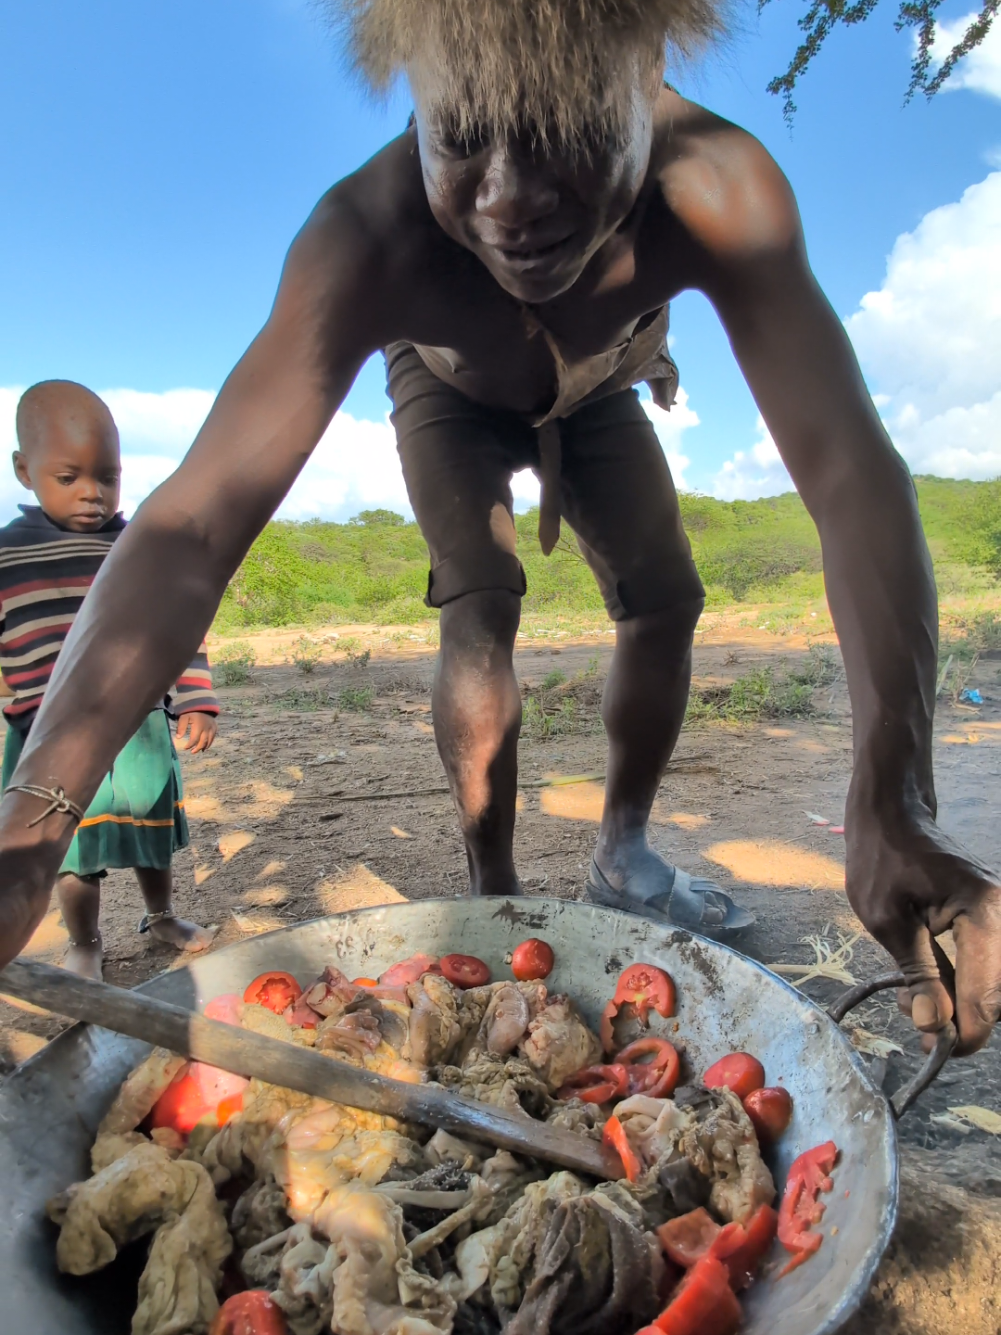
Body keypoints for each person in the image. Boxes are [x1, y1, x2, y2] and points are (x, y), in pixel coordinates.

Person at [0, 0, 998, 1054]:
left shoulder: (713, 187)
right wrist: (35, 814)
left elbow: (847, 474)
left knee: (665, 598)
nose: (511, 201)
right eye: (464, 135)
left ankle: (624, 851)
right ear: (416, 100)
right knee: (479, 601)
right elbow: (192, 527)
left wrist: (892, 799)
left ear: (647, 74)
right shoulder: (369, 236)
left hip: (599, 381)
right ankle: (494, 888)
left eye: (565, 128)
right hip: (447, 387)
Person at [0, 380, 220, 978]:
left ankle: (161, 914)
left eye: (109, 477)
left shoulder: (136, 546)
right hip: (46, 732)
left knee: (149, 827)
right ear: (24, 469)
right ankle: (86, 941)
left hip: (137, 723)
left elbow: (180, 622)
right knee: (72, 847)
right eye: (68, 478)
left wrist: (194, 696)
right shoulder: (6, 555)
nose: (93, 494)